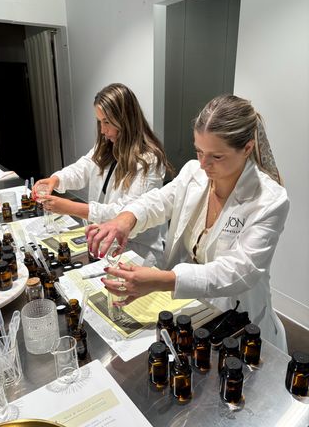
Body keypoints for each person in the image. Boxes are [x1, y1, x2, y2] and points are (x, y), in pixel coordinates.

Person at [86, 94, 290, 352]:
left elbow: (239, 271)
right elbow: (158, 201)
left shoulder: (270, 200)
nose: (204, 164)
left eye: (216, 156)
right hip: (191, 309)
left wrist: (163, 280)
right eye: (199, 151)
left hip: (237, 320)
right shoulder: (193, 172)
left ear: (247, 148)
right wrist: (124, 220)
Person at [33, 83, 173, 266]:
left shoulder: (149, 160)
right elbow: (81, 168)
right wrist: (55, 179)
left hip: (138, 252)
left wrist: (70, 207)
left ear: (126, 119)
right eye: (100, 121)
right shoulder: (107, 146)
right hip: (106, 244)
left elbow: (125, 214)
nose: (102, 130)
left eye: (107, 121)